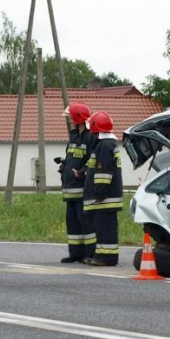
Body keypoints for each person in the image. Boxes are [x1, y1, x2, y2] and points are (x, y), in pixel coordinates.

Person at [83, 111, 123, 266]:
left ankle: (108, 257)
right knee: (101, 228)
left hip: (105, 198)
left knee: (106, 229)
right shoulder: (107, 144)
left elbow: (103, 172)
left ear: (95, 128)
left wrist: (99, 192)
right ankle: (101, 255)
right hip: (106, 197)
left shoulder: (105, 146)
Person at [58, 103, 96, 263]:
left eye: (71, 117)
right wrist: (64, 166)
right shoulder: (74, 135)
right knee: (72, 223)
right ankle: (76, 253)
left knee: (86, 223)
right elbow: (72, 157)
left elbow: (93, 159)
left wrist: (81, 172)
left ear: (78, 117)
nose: (70, 120)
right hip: (70, 189)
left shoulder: (90, 136)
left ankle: (89, 254)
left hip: (82, 188)